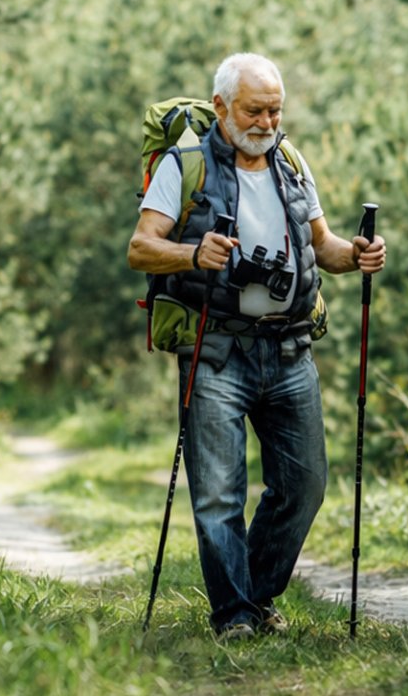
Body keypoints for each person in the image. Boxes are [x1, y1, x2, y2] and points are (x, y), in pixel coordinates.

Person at [128, 53, 386, 641]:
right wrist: (194, 254)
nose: (267, 122)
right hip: (215, 349)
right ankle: (235, 616)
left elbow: (323, 246)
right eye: (254, 110)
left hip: (291, 351)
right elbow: (141, 248)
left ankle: (257, 593)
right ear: (220, 107)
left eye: (275, 110)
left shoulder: (291, 163)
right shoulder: (185, 164)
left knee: (305, 486)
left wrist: (359, 255)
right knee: (218, 494)